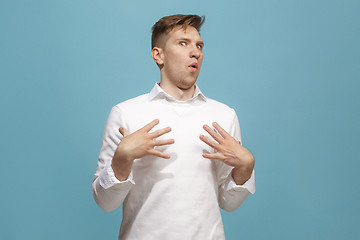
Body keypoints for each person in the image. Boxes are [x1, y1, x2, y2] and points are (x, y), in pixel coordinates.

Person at [92, 14, 255, 240]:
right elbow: (105, 202)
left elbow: (228, 203)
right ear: (158, 55)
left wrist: (245, 168)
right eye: (183, 43)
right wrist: (122, 158)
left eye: (199, 45)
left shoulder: (224, 116)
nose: (195, 52)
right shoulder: (126, 113)